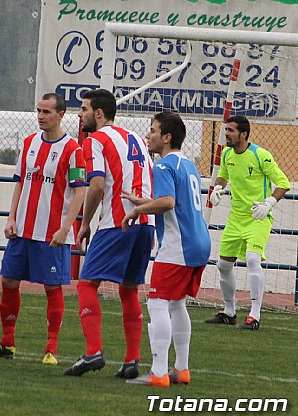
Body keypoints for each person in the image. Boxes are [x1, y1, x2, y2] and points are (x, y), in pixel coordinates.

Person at [0, 93, 85, 365]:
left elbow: (80, 193)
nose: (41, 116)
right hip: (22, 230)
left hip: (52, 234)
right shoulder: (28, 144)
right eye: (38, 110)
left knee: (52, 287)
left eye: (47, 111)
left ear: (60, 114)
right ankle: (7, 343)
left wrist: (65, 228)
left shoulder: (73, 150)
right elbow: (20, 183)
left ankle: (51, 349)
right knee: (8, 281)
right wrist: (11, 217)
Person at [63, 89, 154, 379]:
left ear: (98, 114)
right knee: (129, 289)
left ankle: (93, 352)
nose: (80, 115)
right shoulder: (137, 138)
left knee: (86, 283)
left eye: (84, 109)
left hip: (118, 222)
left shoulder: (95, 140)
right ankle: (131, 360)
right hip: (145, 222)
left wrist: (86, 221)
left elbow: (98, 185)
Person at [121, 111, 211, 386]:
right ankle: (181, 369)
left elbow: (168, 203)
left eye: (153, 130)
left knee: (158, 303)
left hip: (177, 246)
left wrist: (137, 211)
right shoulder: (188, 165)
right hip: (199, 243)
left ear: (167, 137)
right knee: (176, 303)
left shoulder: (161, 166)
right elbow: (173, 201)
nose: (148, 135)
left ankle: (159, 373)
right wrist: (145, 201)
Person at [205, 116, 290, 330]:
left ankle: (254, 315)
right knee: (223, 265)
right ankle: (230, 312)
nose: (227, 135)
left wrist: (269, 203)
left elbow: (283, 183)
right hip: (235, 219)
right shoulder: (226, 154)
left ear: (243, 134)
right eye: (226, 131)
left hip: (257, 218)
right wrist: (217, 189)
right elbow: (223, 176)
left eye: (231, 131)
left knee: (253, 260)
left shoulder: (260, 155)